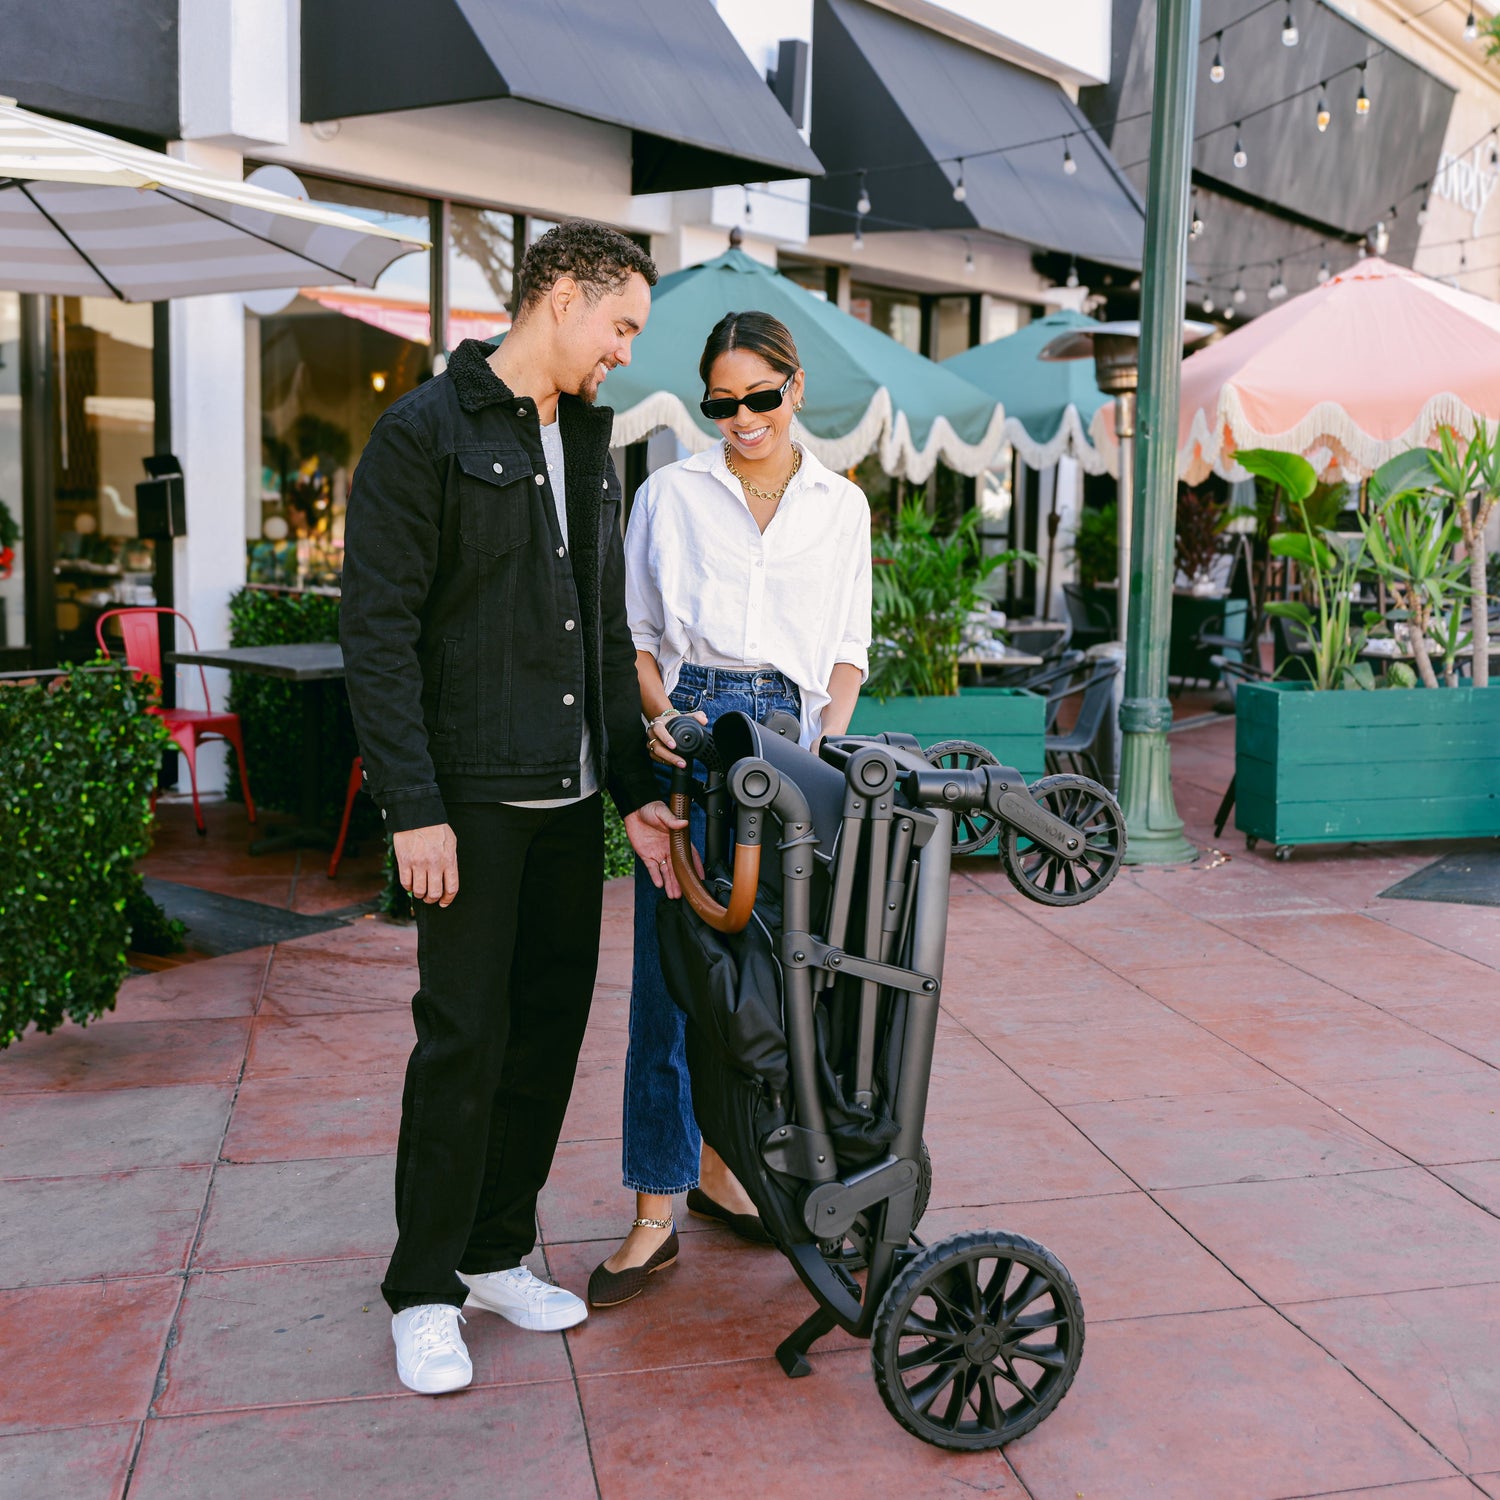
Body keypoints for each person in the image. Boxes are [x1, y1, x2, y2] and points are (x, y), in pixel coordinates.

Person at [341, 221, 687, 1394]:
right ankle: (423, 1289)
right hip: (473, 806)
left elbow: (601, 627)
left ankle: (494, 1252)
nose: (626, 353)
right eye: (622, 326)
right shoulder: (422, 434)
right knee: (462, 1045)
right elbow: (377, 638)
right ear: (560, 301)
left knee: (543, 1040)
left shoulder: (587, 438)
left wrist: (633, 794)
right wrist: (414, 807)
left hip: (572, 799)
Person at [587, 310, 872, 1308]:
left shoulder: (841, 508)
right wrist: (665, 720)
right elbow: (635, 637)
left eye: (759, 396)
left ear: (795, 387)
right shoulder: (670, 493)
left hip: (792, 746)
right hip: (697, 736)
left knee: (771, 980)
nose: (741, 418)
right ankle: (654, 1211)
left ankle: (727, 1172)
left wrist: (823, 746)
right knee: (670, 977)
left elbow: (847, 646)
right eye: (721, 402)